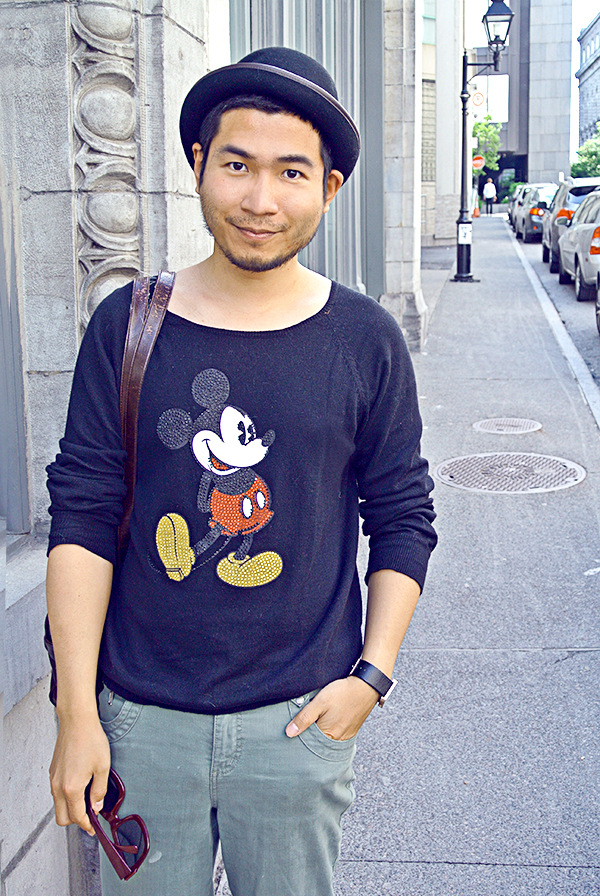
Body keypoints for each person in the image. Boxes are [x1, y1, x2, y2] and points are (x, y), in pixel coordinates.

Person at [46, 46, 436, 895]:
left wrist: (371, 676)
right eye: (237, 165)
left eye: (292, 173)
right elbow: (82, 516)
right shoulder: (129, 325)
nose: (261, 201)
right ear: (198, 165)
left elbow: (402, 514)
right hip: (142, 723)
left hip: (299, 725)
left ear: (328, 189)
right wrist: (80, 712)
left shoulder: (363, 340)